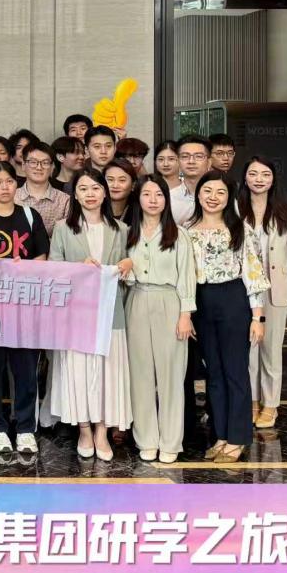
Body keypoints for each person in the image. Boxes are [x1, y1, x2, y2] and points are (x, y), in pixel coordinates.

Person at [46, 169, 134, 461]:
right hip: (77, 315)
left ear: (105, 193)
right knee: (78, 372)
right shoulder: (62, 228)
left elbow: (129, 270)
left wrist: (127, 265)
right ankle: (84, 429)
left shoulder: (121, 229)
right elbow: (53, 269)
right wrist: (78, 268)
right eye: (83, 189)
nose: (90, 194)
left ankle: (102, 432)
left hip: (111, 314)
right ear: (75, 194)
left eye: (96, 188)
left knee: (108, 372)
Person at [185, 170, 269, 464]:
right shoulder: (186, 230)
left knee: (235, 371)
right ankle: (221, 435)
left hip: (234, 300)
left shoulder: (240, 229)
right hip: (201, 302)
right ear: (198, 194)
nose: (213, 197)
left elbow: (254, 273)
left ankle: (238, 437)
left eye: (220, 192)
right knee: (214, 374)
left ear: (229, 197)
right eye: (207, 191)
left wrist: (257, 318)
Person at [0, 161, 50, 455]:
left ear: (17, 184)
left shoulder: (29, 215)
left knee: (26, 369)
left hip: (24, 305)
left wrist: (24, 270)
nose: (4, 187)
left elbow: (42, 256)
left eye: (9, 181)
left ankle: (26, 428)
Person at [125, 174, 196, 464]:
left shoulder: (178, 234)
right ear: (138, 198)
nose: (153, 200)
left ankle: (170, 441)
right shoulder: (127, 232)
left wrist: (185, 315)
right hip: (136, 300)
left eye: (159, 195)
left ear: (166, 200)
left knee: (171, 376)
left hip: (170, 302)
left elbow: (187, 276)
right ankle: (146, 439)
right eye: (147, 194)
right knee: (139, 375)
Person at [238, 156, 287, 429]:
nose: (259, 179)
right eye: (253, 174)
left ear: (273, 179)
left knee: (272, 348)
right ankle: (251, 401)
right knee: (248, 347)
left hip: (275, 290)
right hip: (244, 289)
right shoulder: (236, 209)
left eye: (265, 174)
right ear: (245, 178)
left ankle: (271, 404)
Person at [15, 141, 69, 235]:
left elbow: (67, 237)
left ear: (52, 167)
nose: (39, 167)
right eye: (33, 162)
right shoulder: (12, 197)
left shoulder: (65, 201)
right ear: (23, 165)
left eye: (45, 163)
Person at [171, 135, 211, 225]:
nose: (191, 161)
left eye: (198, 156)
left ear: (209, 162)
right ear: (178, 162)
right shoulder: (169, 198)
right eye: (185, 156)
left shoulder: (222, 197)